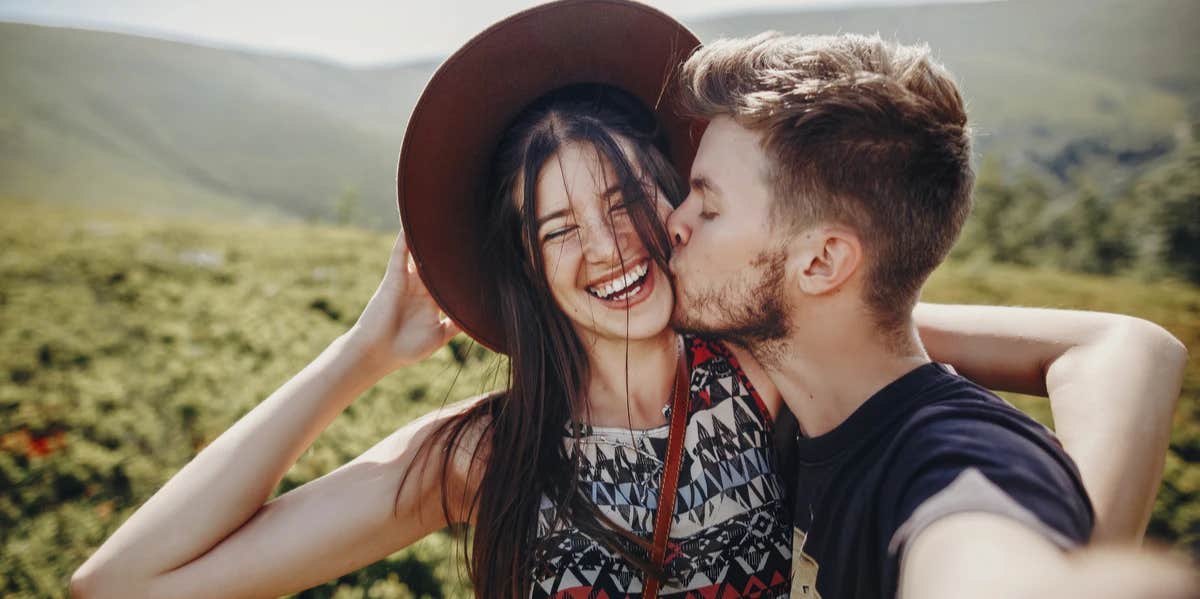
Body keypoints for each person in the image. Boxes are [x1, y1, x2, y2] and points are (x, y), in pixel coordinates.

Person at [69, 3, 1186, 599]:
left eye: (629, 197)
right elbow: (121, 584)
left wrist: (1070, 549)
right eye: (560, 228)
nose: (606, 246)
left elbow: (1114, 349)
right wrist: (359, 358)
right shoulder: (489, 451)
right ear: (531, 265)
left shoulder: (764, 358)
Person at [664, 31, 1192, 598]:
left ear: (821, 262)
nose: (676, 220)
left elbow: (981, 556)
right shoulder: (789, 405)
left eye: (708, 205)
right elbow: (1132, 344)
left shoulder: (953, 460)